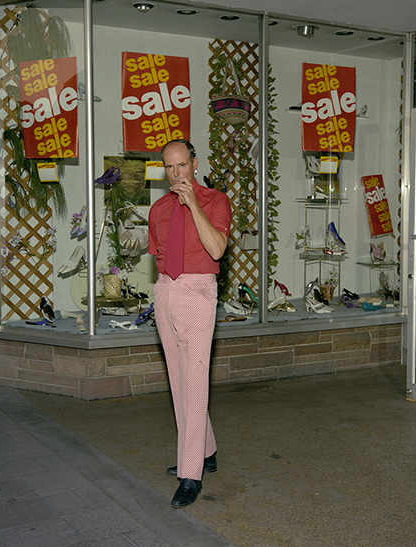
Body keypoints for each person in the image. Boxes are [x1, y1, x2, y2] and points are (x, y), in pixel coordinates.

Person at [148, 139, 232, 508]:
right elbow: (159, 256)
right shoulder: (158, 208)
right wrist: (163, 292)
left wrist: (193, 204)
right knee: (179, 380)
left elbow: (216, 249)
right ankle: (206, 451)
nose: (176, 173)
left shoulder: (215, 201)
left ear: (195, 164)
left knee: (196, 382)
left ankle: (190, 474)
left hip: (198, 290)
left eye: (182, 165)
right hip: (167, 290)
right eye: (169, 167)